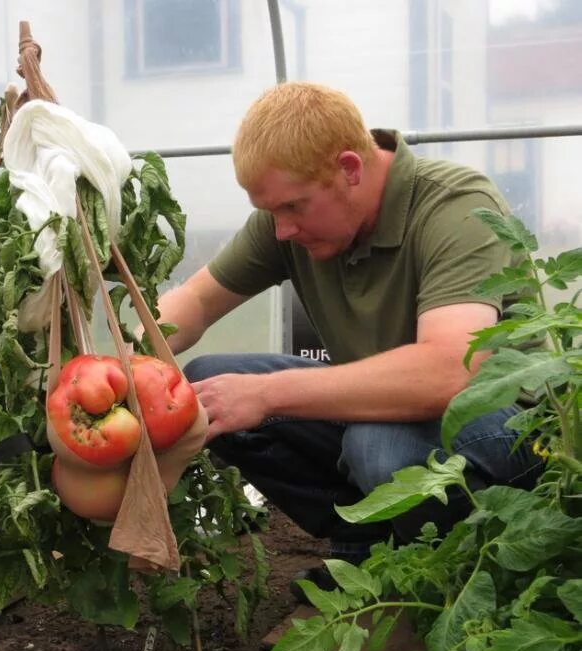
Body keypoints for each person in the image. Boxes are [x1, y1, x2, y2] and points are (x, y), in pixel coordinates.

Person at [157, 82, 542, 584]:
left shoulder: (455, 206)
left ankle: (458, 577)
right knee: (210, 385)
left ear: (350, 169)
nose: (281, 230)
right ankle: (368, 551)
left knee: (376, 445)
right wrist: (125, 362)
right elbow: (197, 301)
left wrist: (266, 393)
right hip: (385, 414)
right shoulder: (291, 215)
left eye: (292, 207)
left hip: (513, 434)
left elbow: (448, 371)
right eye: (271, 211)